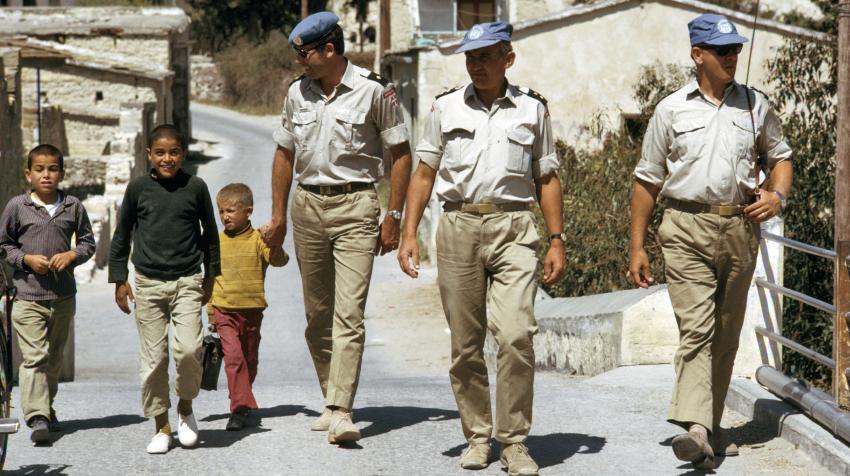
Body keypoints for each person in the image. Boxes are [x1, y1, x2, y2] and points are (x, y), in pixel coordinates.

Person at [397, 21, 565, 476]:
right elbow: (425, 172)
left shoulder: (533, 110)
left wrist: (556, 239)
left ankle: (514, 442)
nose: (477, 65)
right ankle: (477, 436)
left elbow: (546, 177)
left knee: (514, 334)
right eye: (471, 58)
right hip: (458, 225)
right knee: (465, 345)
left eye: (486, 57)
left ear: (507, 60)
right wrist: (408, 232)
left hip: (514, 226)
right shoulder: (445, 107)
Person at [628, 14, 792, 470]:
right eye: (722, 51)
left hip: (739, 229)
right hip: (684, 228)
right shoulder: (671, 109)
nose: (731, 57)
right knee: (697, 330)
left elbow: (780, 159)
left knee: (725, 333)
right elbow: (646, 181)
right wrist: (637, 246)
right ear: (697, 55)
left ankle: (711, 428)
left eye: (735, 49)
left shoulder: (755, 105)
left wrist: (776, 196)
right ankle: (697, 429)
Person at [260, 11, 412, 444]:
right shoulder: (296, 94)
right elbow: (284, 155)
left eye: (304, 53)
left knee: (349, 314)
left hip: (356, 206)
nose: (299, 62)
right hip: (308, 207)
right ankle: (331, 396)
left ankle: (342, 409)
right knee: (316, 317)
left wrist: (393, 216)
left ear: (329, 49)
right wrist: (278, 216)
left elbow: (400, 154)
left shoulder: (375, 91)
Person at [109, 124, 221, 454]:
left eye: (174, 152)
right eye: (160, 152)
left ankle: (185, 407)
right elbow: (122, 233)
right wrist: (119, 278)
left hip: (187, 280)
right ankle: (161, 424)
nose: (167, 158)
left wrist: (211, 275)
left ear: (183, 154)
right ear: (149, 155)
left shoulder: (196, 187)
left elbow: (210, 235)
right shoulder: (138, 189)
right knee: (154, 359)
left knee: (189, 351)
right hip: (147, 283)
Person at [0, 144, 95, 444]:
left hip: (63, 296)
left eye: (52, 169)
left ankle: (46, 406)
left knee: (54, 359)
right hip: (28, 296)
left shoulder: (73, 206)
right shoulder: (17, 206)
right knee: (35, 357)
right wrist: (26, 260)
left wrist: (72, 256)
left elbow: (88, 243)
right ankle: (36, 416)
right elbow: (4, 245)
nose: (46, 175)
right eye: (39, 169)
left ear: (62, 173)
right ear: (28, 174)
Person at [208, 183, 288, 431]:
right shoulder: (216, 242)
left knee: (249, 360)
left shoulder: (257, 240)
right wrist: (211, 311)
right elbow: (211, 278)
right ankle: (239, 408)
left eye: (231, 210)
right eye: (221, 211)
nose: (225, 216)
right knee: (233, 358)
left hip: (252, 311)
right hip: (224, 310)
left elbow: (280, 261)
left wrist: (273, 241)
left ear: (248, 211)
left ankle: (242, 400)